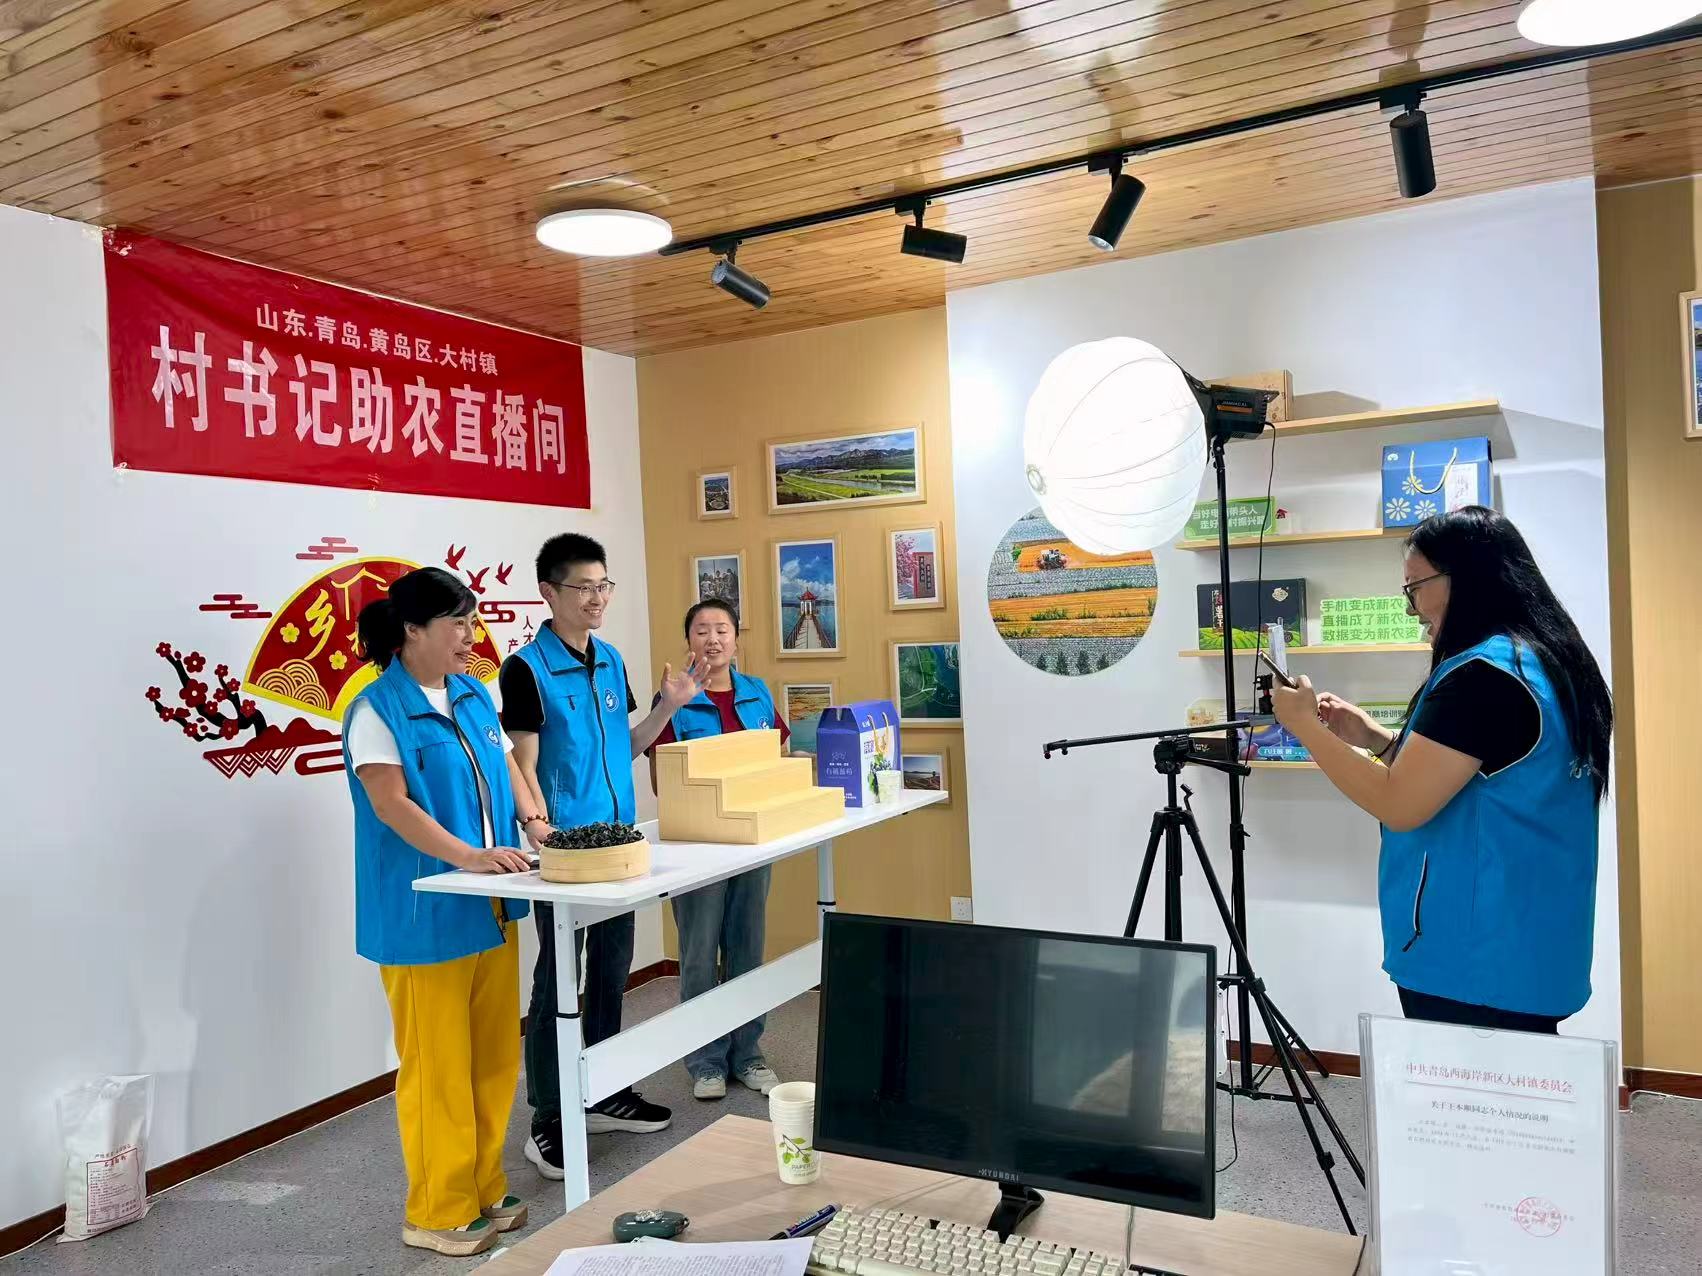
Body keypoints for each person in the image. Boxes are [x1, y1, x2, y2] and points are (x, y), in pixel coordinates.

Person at [1272, 506, 1612, 1034]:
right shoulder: (1540, 660)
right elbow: (1475, 781)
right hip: (1528, 945)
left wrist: (1304, 727)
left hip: (1473, 959)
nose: (1412, 610)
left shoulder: (1482, 677)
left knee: (1470, 1086)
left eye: (1414, 588)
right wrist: (1374, 739)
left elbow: (1399, 804)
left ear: (1464, 577)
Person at [344, 567, 556, 1258]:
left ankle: (483, 1185)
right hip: (423, 916)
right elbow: (390, 805)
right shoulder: (378, 710)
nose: (470, 636)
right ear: (412, 631)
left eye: (472, 621)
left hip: (489, 905)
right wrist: (469, 856)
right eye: (457, 624)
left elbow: (508, 767)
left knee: (493, 1059)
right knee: (437, 1067)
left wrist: (536, 824)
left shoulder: (470, 693)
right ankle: (437, 1209)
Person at [500, 533, 701, 1180]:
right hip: (567, 853)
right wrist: (540, 832)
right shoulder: (526, 669)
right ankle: (550, 1117)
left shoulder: (610, 659)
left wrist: (668, 707)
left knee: (612, 970)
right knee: (558, 982)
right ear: (549, 592)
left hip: (620, 844)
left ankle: (605, 1090)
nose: (597, 598)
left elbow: (627, 746)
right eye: (584, 587)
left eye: (603, 586)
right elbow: (521, 766)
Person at [647, 599, 789, 1100]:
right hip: (698, 849)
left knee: (747, 948)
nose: (713, 639)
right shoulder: (674, 699)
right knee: (699, 954)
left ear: (736, 639)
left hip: (751, 843)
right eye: (702, 630)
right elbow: (662, 779)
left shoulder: (756, 692)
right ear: (689, 641)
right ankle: (705, 1061)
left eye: (722, 629)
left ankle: (748, 1053)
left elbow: (776, 759)